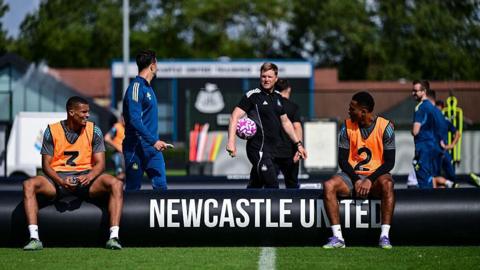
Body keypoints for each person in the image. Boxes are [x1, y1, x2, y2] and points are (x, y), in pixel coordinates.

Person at [22, 96, 124, 251]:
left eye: (88, 112)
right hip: (57, 180)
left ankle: (114, 237)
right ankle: (34, 238)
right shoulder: (52, 131)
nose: (87, 115)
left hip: (86, 179)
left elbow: (100, 164)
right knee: (28, 184)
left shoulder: (94, 130)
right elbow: (46, 166)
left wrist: (88, 176)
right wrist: (60, 181)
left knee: (116, 183)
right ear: (71, 112)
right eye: (83, 112)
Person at [322, 91, 395, 249]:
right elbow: (342, 160)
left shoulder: (386, 127)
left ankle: (384, 236)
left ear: (363, 112)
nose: (349, 111)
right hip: (351, 176)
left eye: (352, 108)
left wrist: (370, 179)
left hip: (376, 177)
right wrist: (356, 180)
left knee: (388, 185)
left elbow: (390, 162)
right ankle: (338, 237)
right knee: (328, 185)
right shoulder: (346, 127)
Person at [226, 62, 307, 188]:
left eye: (269, 77)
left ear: (276, 78)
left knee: (256, 184)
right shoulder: (252, 96)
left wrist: (298, 144)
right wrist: (231, 141)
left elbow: (286, 123)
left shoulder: (278, 98)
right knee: (272, 184)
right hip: (258, 150)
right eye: (263, 76)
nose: (266, 79)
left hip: (274, 152)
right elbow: (234, 117)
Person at [122, 49, 170, 191]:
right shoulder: (136, 87)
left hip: (153, 150)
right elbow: (134, 120)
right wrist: (153, 141)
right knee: (133, 189)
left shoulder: (149, 88)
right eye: (157, 62)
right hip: (136, 148)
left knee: (161, 188)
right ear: (152, 65)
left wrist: (154, 142)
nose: (158, 66)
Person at [427, 91, 460, 188]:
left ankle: (450, 189)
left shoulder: (445, 120)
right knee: (435, 176)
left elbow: (457, 133)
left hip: (442, 150)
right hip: (435, 151)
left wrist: (451, 145)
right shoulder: (430, 119)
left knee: (450, 175)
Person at [273, 79, 303, 188]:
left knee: (270, 184)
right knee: (292, 184)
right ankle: (292, 205)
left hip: (272, 152)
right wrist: (299, 147)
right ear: (289, 89)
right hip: (290, 152)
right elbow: (297, 127)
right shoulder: (293, 107)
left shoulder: (271, 105)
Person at [411, 80, 436, 189]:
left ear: (424, 91)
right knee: (430, 177)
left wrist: (411, 131)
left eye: (415, 91)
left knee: (423, 179)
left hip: (422, 147)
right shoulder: (432, 107)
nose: (413, 93)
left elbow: (415, 131)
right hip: (432, 146)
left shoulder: (420, 108)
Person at [104, 116, 125, 181]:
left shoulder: (129, 127)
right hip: (119, 154)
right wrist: (118, 147)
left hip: (127, 154)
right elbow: (107, 138)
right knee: (120, 175)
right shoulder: (116, 127)